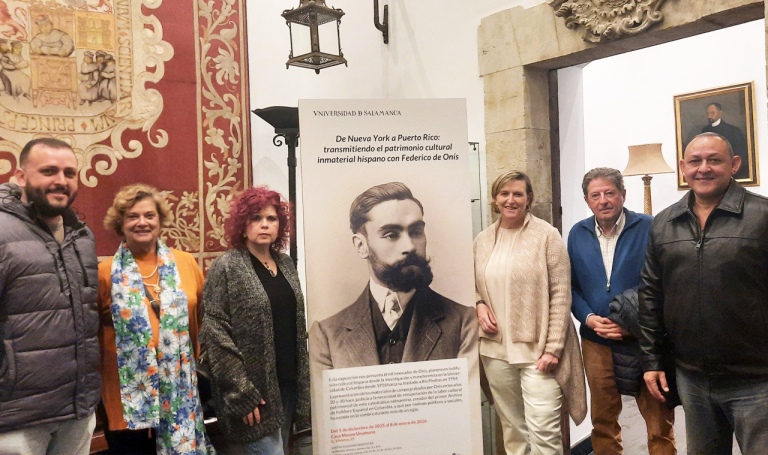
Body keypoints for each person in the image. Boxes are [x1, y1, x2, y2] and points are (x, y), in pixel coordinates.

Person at [640, 132, 768, 454]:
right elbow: (651, 294)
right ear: (683, 167)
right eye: (695, 161)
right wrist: (652, 359)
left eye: (714, 160)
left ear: (734, 164)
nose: (704, 168)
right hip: (693, 378)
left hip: (757, 380)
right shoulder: (664, 223)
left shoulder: (762, 216)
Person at [474, 170, 586, 455]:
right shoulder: (482, 240)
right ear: (495, 199)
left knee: (544, 434)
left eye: (518, 194)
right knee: (513, 432)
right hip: (495, 351)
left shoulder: (547, 235)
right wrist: (479, 304)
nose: (510, 200)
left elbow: (561, 295)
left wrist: (553, 349)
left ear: (529, 199)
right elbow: (470, 284)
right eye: (504, 194)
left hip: (538, 352)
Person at [0, 138, 100, 454]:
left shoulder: (82, 236)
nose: (61, 180)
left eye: (69, 173)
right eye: (48, 171)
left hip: (77, 410)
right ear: (20, 176)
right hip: (17, 418)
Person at [310, 182, 476, 369]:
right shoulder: (327, 335)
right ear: (361, 246)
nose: (410, 247)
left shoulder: (463, 322)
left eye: (416, 232)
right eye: (391, 235)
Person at [98, 183, 213, 454]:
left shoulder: (186, 263)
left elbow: (200, 320)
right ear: (120, 223)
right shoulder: (104, 272)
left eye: (149, 215)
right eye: (132, 216)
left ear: (160, 221)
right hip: (127, 400)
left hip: (180, 394)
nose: (142, 222)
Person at [568, 168, 675, 454]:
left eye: (610, 193)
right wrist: (589, 318)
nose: (603, 200)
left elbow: (665, 283)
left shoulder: (649, 227)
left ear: (623, 195)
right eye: (595, 195)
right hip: (596, 341)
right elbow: (572, 287)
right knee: (603, 421)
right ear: (587, 200)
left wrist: (632, 323)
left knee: (659, 424)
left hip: (644, 342)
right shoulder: (577, 233)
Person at [201, 186, 310, 455]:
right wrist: (241, 392)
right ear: (242, 224)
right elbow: (216, 333)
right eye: (256, 218)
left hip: (287, 383)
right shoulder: (227, 266)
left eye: (271, 219)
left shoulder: (285, 264)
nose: (264, 224)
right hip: (254, 393)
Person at [701, 102, 749, 179]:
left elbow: (741, 153)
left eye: (712, 113)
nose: (709, 116)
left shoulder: (733, 130)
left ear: (720, 113)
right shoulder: (704, 130)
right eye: (708, 113)